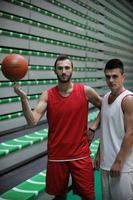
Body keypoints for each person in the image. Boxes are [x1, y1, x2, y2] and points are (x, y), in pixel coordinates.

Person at [13, 54, 101, 200]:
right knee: (59, 197)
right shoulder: (47, 95)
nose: (63, 71)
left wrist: (93, 127)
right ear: (54, 71)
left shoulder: (86, 91)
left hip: (80, 154)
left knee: (88, 196)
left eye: (67, 68)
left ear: (73, 69)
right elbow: (32, 121)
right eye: (60, 68)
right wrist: (23, 99)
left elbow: (106, 108)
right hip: (57, 156)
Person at [89, 58, 133, 200]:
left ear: (123, 77)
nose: (111, 80)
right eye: (108, 77)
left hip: (122, 167)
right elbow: (107, 129)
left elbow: (131, 133)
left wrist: (119, 161)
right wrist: (98, 153)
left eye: (115, 76)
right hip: (105, 164)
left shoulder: (128, 100)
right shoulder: (106, 97)